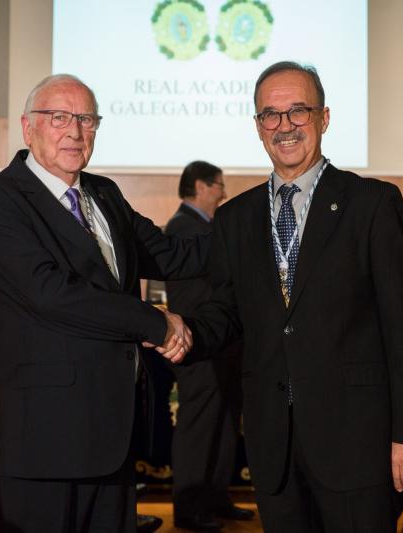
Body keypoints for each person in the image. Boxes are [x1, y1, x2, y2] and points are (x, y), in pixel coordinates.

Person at [187, 61, 403, 532]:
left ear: (324, 118)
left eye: (298, 111)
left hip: (357, 442)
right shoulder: (235, 218)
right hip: (273, 446)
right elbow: (226, 312)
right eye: (271, 115)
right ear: (258, 127)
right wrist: (184, 334)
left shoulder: (372, 204)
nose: (285, 126)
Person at [0, 74, 208, 532]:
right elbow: (51, 294)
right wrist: (155, 323)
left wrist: (263, 222)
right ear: (27, 126)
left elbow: (172, 254)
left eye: (86, 119)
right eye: (59, 117)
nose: (75, 131)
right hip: (42, 443)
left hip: (111, 435)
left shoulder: (105, 194)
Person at [164, 161, 251, 530]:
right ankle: (188, 506)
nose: (223, 193)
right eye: (218, 185)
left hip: (222, 344)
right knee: (199, 427)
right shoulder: (186, 228)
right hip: (199, 345)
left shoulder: (204, 227)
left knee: (224, 423)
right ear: (201, 186)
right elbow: (195, 295)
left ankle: (215, 496)